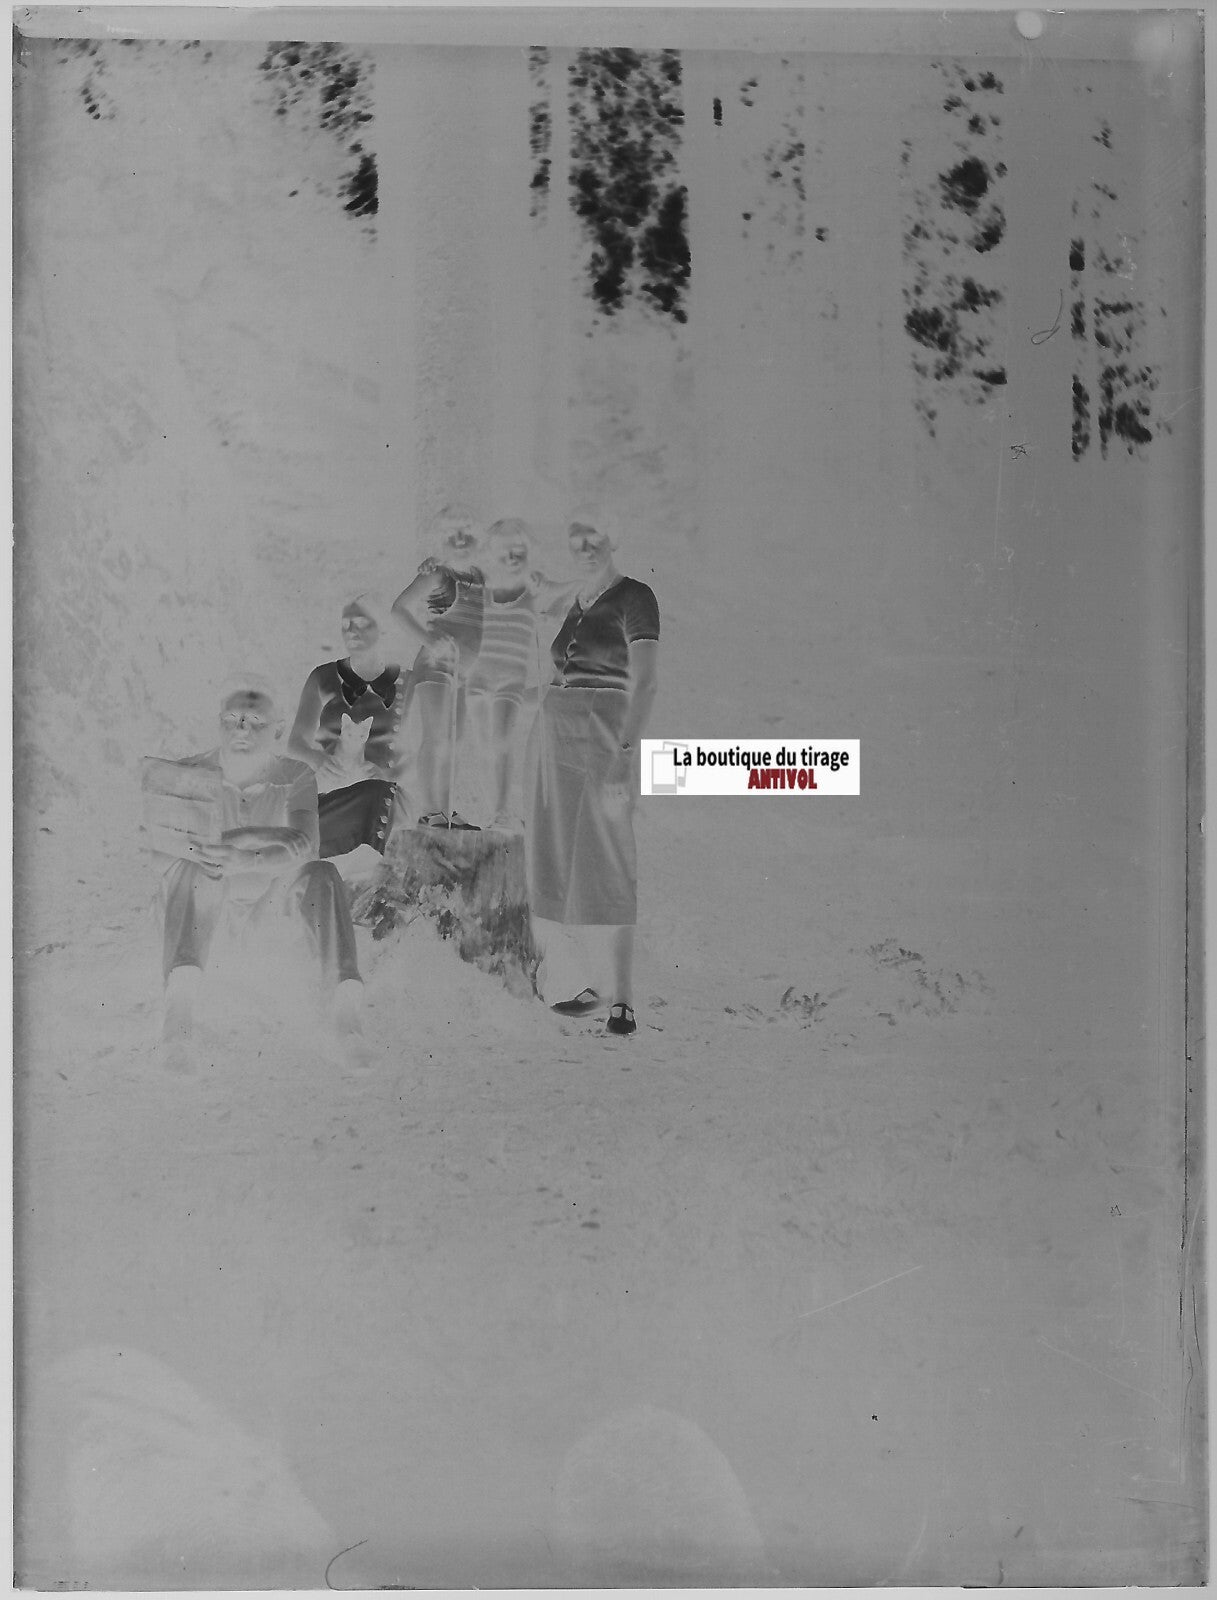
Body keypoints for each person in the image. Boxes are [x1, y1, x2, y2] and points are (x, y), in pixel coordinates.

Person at [154, 675, 370, 1070]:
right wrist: (270, 839)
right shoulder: (189, 773)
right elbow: (173, 848)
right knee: (190, 868)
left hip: (268, 923)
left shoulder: (296, 775)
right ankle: (178, 1023)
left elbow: (305, 844)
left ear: (278, 730)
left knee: (321, 873)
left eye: (255, 721)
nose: (241, 729)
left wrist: (245, 853)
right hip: (206, 925)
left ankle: (347, 1021)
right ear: (219, 722)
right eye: (232, 718)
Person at [524, 509, 660, 1037]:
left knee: (609, 854)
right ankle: (595, 983)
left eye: (594, 536)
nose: (583, 546)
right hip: (556, 730)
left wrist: (625, 755)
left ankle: (623, 997)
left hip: (606, 729)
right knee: (561, 853)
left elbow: (645, 684)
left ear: (614, 538)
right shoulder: (576, 601)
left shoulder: (635, 596)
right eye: (575, 537)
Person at [464, 517, 569, 833]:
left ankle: (502, 809)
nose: (511, 557)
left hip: (510, 681)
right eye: (503, 550)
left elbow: (579, 587)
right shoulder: (480, 591)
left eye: (518, 550)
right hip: (478, 678)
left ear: (529, 551)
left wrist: (553, 603)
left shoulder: (532, 592)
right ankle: (493, 811)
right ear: (490, 553)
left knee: (502, 740)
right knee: (482, 744)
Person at [287, 598, 406, 860]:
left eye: (362, 623)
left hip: (385, 802)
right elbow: (295, 743)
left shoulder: (407, 683)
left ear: (383, 628)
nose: (352, 631)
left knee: (380, 797)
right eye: (346, 624)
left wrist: (388, 774)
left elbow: (423, 754)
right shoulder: (323, 676)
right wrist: (317, 759)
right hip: (331, 798)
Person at [390, 505, 486, 830]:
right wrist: (429, 640)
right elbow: (399, 609)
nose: (459, 538)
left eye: (466, 531)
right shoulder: (438, 574)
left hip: (461, 672)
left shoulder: (479, 577)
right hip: (436, 668)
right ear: (440, 538)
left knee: (454, 741)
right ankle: (430, 810)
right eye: (450, 533)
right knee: (437, 738)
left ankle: (446, 808)